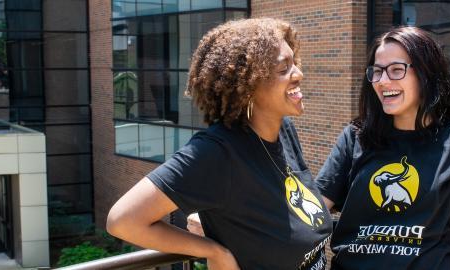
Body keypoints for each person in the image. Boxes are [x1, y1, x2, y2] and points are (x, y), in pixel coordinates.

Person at [106, 18, 332, 270]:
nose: (298, 74)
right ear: (248, 85)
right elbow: (122, 220)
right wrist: (214, 251)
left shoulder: (284, 131)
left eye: (294, 63)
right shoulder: (217, 152)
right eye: (283, 68)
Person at [315, 26, 450, 269]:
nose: (383, 81)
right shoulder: (356, 136)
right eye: (377, 72)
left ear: (426, 73)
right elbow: (312, 214)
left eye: (397, 70)